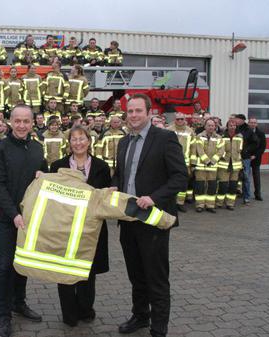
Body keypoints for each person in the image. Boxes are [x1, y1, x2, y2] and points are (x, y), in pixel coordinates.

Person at [111, 93, 187, 337]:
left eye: (138, 111)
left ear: (149, 112)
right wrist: (114, 186)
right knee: (136, 274)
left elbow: (180, 177)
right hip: (128, 219)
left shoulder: (165, 138)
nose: (133, 115)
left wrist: (154, 198)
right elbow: (122, 175)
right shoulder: (124, 142)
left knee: (156, 276)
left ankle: (158, 326)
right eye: (130, 111)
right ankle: (140, 316)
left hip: (153, 220)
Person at [0, 104, 48, 337]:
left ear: (32, 123)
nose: (22, 125)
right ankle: (4, 315)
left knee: (22, 263)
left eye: (26, 121)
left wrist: (44, 175)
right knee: (5, 266)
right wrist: (14, 214)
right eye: (18, 121)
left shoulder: (37, 148)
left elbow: (43, 177)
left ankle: (19, 303)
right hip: (6, 217)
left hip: (29, 217)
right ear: (10, 121)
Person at [49, 125, 110, 327]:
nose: (78, 142)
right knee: (64, 271)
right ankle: (69, 313)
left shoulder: (102, 166)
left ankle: (85, 309)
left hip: (92, 229)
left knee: (87, 272)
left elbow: (105, 197)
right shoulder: (58, 166)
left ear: (89, 141)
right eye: (74, 139)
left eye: (82, 138)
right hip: (65, 227)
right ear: (69, 143)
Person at [166, 113, 196, 212]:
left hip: (185, 162)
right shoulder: (169, 130)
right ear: (175, 120)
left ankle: (180, 203)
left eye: (181, 119)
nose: (179, 121)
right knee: (170, 182)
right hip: (170, 161)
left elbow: (193, 148)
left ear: (185, 119)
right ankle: (171, 203)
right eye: (178, 119)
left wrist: (193, 163)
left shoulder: (190, 131)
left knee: (183, 184)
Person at [194, 118, 224, 213]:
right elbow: (199, 150)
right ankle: (200, 205)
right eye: (209, 125)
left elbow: (221, 151)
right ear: (205, 126)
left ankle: (210, 205)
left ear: (215, 127)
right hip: (201, 166)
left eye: (212, 125)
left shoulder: (219, 138)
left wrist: (213, 161)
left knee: (212, 186)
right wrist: (207, 161)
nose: (211, 127)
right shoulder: (199, 136)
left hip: (213, 167)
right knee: (200, 186)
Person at [216, 119, 243, 210]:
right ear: (227, 126)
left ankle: (230, 203)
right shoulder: (222, 137)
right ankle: (219, 203)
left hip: (235, 165)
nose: (232, 127)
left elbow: (240, 149)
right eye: (230, 125)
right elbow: (219, 149)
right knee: (223, 185)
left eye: (234, 125)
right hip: (224, 164)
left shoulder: (239, 136)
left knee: (233, 186)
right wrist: (224, 156)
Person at [235, 114, 258, 204]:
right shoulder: (234, 128)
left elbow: (255, 142)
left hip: (245, 158)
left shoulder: (248, 130)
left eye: (237, 119)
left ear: (242, 120)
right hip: (235, 157)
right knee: (234, 178)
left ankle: (246, 197)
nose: (236, 121)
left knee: (246, 177)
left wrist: (247, 151)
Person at [248, 117, 266, 201]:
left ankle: (257, 194)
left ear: (257, 124)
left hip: (256, 158)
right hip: (246, 157)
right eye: (251, 122)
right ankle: (244, 193)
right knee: (244, 177)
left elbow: (262, 147)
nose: (253, 124)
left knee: (256, 177)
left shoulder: (261, 134)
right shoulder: (245, 132)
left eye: (254, 122)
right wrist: (247, 155)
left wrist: (255, 155)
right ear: (248, 123)